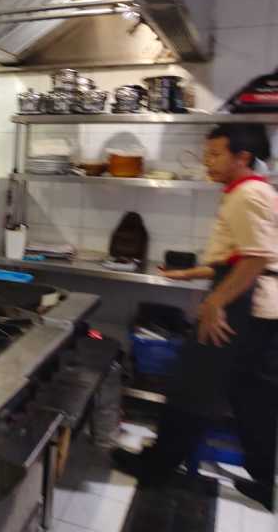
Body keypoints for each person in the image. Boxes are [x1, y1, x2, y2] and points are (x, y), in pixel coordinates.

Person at [113, 124, 278, 511]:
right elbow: (238, 258)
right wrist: (188, 274)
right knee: (251, 397)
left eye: (216, 154)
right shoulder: (253, 190)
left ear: (242, 158)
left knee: (192, 387)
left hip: (243, 304)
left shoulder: (247, 194)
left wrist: (215, 302)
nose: (208, 162)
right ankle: (264, 480)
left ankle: (156, 468)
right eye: (207, 154)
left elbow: (254, 260)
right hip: (257, 304)